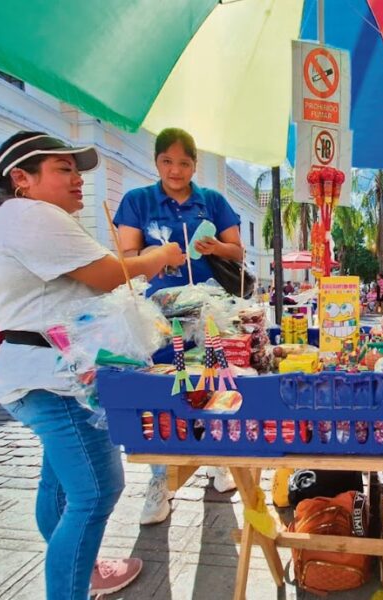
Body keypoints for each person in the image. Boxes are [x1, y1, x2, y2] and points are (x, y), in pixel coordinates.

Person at [0, 131, 186, 599]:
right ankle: (71, 583)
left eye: (76, 170)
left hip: (39, 370)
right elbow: (108, 274)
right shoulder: (31, 215)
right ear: (22, 178)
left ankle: (81, 568)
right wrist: (160, 255)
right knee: (95, 492)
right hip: (52, 378)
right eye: (63, 169)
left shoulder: (16, 218)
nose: (77, 179)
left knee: (59, 485)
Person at [113, 128, 242, 524]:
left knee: (214, 382)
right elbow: (125, 257)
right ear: (156, 162)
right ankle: (160, 479)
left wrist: (215, 248)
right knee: (163, 390)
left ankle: (218, 458)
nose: (175, 170)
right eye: (167, 161)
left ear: (194, 165)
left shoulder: (213, 201)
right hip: (158, 315)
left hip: (210, 312)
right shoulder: (137, 200)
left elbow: (236, 252)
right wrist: (156, 256)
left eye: (184, 162)